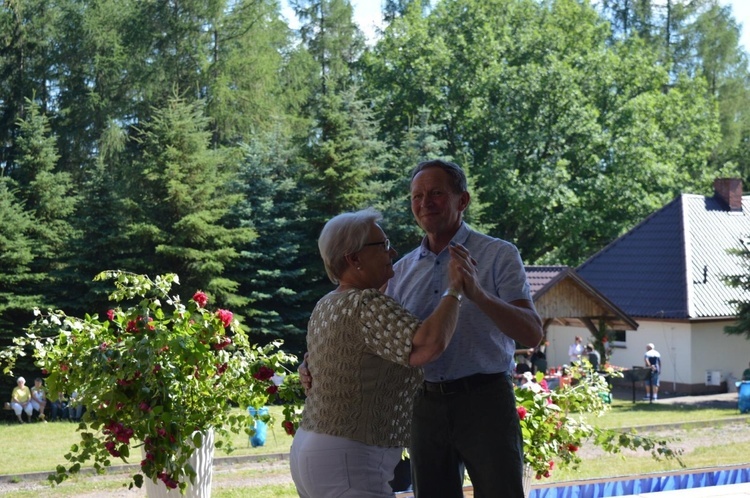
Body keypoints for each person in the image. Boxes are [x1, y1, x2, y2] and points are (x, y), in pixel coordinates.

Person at [289, 207, 476, 497]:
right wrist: (455, 289)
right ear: (354, 258)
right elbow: (427, 345)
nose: (393, 251)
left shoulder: (327, 303)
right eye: (383, 245)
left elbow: (330, 359)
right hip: (349, 455)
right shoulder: (366, 303)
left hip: (312, 446)